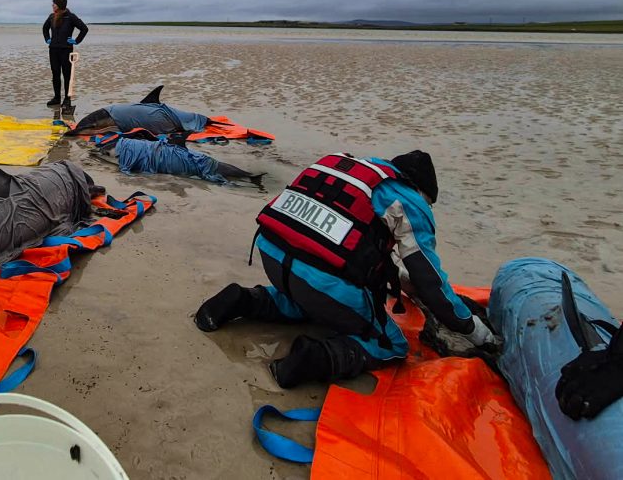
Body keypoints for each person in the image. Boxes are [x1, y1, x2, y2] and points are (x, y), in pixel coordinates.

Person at [194, 151, 498, 386]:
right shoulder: (409, 202)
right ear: (422, 192)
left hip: (272, 256)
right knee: (391, 344)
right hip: (318, 280)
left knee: (303, 301)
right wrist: (473, 329)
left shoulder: (347, 168)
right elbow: (430, 281)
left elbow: (351, 240)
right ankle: (311, 359)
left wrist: (402, 282)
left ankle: (242, 299)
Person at [42, 0, 88, 107]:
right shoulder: (51, 17)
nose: (52, 5)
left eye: (54, 4)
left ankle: (67, 99)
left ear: (60, 5)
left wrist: (76, 41)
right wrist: (47, 39)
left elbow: (84, 29)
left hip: (66, 50)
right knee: (55, 74)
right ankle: (57, 98)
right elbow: (45, 28)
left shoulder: (70, 17)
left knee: (67, 75)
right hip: (53, 50)